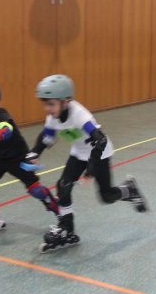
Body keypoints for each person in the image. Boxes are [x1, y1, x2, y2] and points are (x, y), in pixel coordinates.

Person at [26, 74, 148, 253]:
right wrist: (34, 152)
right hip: (78, 153)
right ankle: (67, 229)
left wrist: (90, 170)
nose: (47, 109)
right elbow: (47, 137)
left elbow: (100, 141)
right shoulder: (53, 115)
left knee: (106, 196)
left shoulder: (79, 115)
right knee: (63, 186)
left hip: (99, 154)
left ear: (66, 101)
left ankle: (129, 190)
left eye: (51, 104)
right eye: (45, 104)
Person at [0, 79, 59, 237]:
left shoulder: (1, 115)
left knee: (36, 190)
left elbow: (5, 132)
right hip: (0, 156)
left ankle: (60, 211)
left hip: (18, 157)